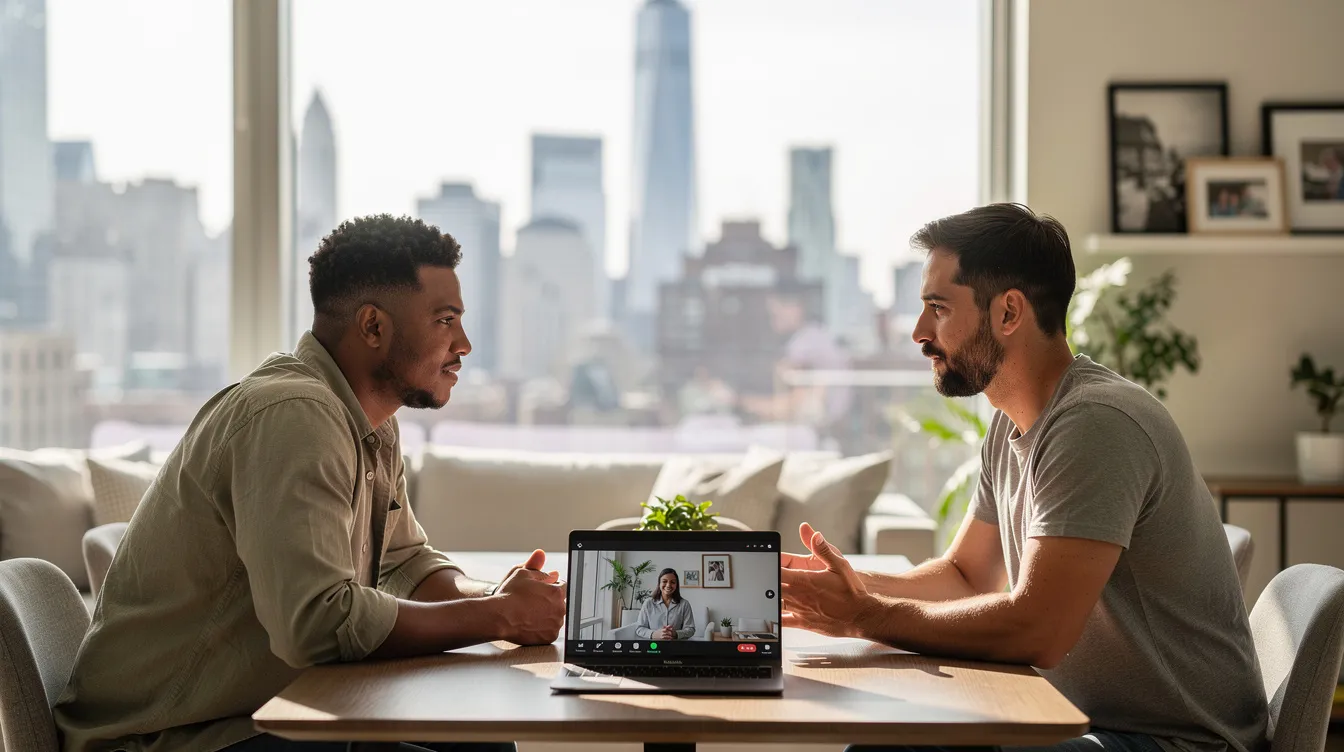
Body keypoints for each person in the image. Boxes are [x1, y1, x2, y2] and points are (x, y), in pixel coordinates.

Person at [54, 215, 566, 752]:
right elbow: (319, 625)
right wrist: (496, 615)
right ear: (373, 327)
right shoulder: (294, 416)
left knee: (478, 739)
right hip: (169, 738)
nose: (463, 343)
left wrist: (503, 598)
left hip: (257, 719)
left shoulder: (368, 424)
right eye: (445, 320)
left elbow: (406, 563)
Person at [781, 203, 1267, 752]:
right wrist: (842, 589)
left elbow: (1039, 631)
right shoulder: (1014, 425)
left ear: (1009, 312)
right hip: (1084, 722)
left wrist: (865, 617)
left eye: (938, 308)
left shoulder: (1096, 424)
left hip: (1174, 742)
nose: (919, 333)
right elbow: (966, 576)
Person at [634, 568, 696, 641]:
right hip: (653, 647)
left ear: (676, 585)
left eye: (672, 582)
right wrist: (655, 634)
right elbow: (639, 628)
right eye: (664, 581)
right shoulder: (648, 603)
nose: (668, 585)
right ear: (659, 584)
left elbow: (690, 629)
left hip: (676, 647)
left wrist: (675, 633)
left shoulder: (684, 604)